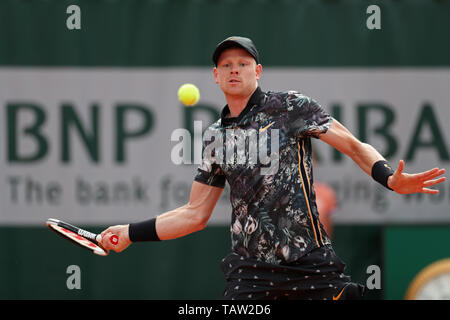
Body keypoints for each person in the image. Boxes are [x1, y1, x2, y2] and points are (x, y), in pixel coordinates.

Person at [100, 36, 446, 300]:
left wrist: (388, 177)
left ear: (257, 71)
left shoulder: (291, 107)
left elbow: (355, 147)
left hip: (311, 265)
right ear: (216, 76)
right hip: (251, 274)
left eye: (243, 63)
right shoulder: (215, 138)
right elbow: (194, 214)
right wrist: (130, 232)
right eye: (226, 65)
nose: (234, 69)